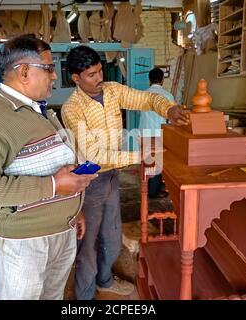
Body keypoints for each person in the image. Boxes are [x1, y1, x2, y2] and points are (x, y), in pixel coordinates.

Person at [0, 34, 97, 300]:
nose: (55, 76)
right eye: (48, 69)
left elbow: (51, 163)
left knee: (52, 296)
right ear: (24, 72)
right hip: (25, 242)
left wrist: (74, 206)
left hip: (60, 230)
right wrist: (55, 185)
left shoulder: (38, 110)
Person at [61, 45, 189, 300]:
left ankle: (105, 281)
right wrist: (140, 156)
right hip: (89, 181)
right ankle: (84, 297)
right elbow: (95, 156)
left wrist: (169, 109)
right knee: (87, 244)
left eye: (99, 71)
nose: (99, 79)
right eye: (91, 75)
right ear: (76, 78)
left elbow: (146, 99)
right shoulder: (72, 108)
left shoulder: (112, 91)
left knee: (112, 234)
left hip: (112, 178)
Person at [140, 67, 176, 198]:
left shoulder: (143, 95)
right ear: (162, 80)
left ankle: (146, 186)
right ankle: (153, 191)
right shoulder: (168, 96)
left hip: (145, 132)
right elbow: (172, 117)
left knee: (147, 161)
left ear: (149, 80)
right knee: (158, 162)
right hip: (160, 132)